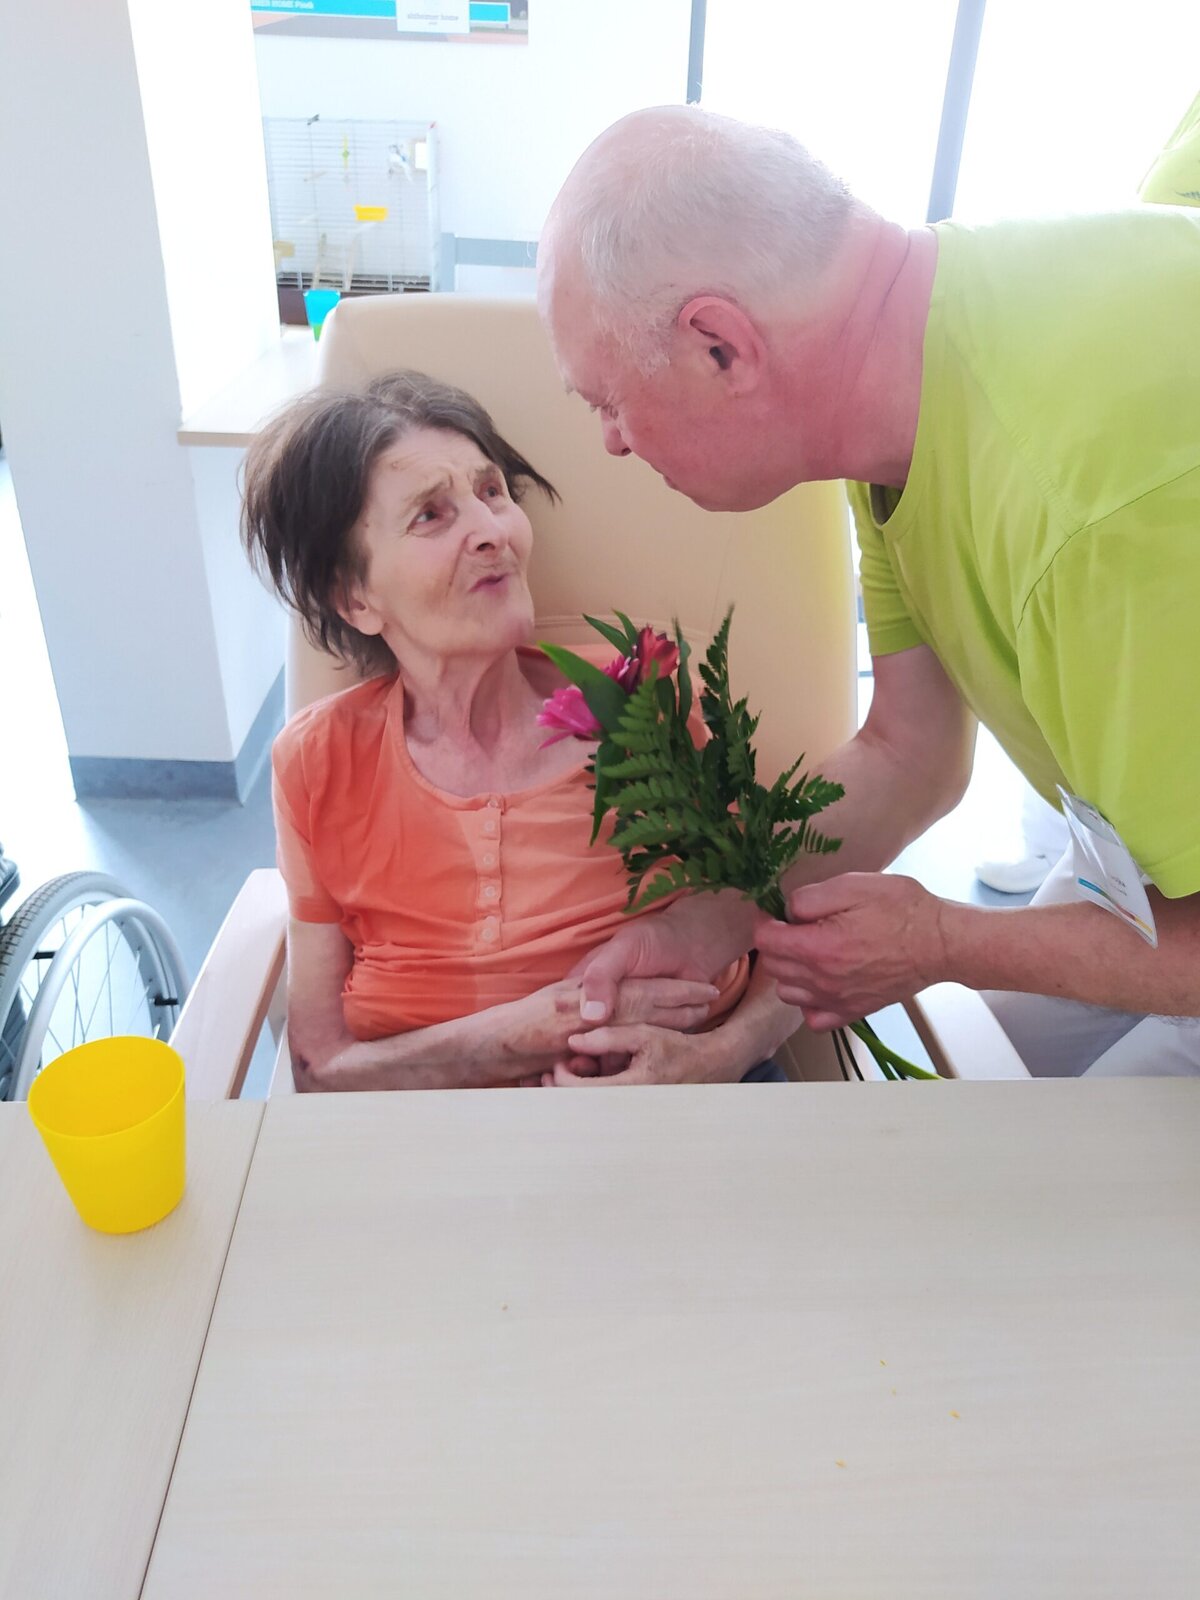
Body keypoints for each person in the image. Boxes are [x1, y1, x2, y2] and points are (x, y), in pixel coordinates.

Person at [537, 104, 1200, 1076]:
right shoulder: (912, 370)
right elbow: (909, 755)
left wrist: (943, 941)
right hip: (1154, 865)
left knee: (1025, 1162)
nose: (612, 442)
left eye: (608, 401)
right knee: (960, 1095)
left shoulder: (1088, 504)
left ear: (720, 345)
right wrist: (711, 920)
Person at [241, 370, 804, 1089]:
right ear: (354, 598)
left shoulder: (641, 693)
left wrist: (717, 1058)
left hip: (694, 1110)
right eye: (430, 515)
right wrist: (526, 1034)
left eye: (493, 492)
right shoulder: (318, 763)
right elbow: (321, 1066)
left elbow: (786, 926)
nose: (492, 532)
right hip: (434, 1138)